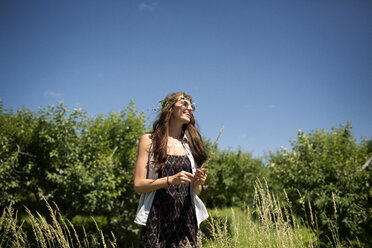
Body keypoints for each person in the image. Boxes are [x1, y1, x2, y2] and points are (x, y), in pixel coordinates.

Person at [134, 92, 209, 248]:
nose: (190, 108)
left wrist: (197, 182)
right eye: (185, 103)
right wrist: (170, 180)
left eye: (192, 106)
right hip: (157, 218)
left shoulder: (192, 144)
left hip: (186, 219)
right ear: (170, 107)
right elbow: (139, 185)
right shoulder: (149, 140)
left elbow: (197, 191)